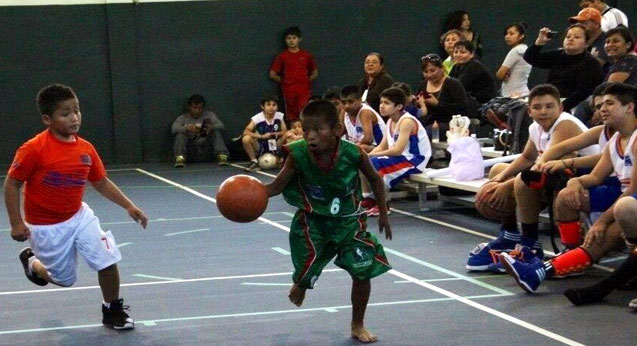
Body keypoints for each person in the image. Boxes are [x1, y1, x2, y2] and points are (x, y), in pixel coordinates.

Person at [3, 84, 148, 329]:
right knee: (63, 280)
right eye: (65, 113)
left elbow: (100, 182)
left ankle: (112, 309)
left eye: (77, 110)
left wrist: (128, 206)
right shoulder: (33, 149)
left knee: (107, 259)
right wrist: (16, 222)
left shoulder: (85, 149)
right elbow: (11, 185)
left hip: (79, 216)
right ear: (47, 119)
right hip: (46, 226)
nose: (74, 117)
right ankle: (32, 262)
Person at [264, 100, 392, 343]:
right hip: (313, 221)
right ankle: (302, 281)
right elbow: (275, 187)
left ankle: (357, 324)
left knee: (362, 271)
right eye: (305, 129)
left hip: (349, 222)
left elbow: (375, 180)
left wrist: (383, 213)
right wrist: (249, 194)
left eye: (318, 130)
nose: (310, 136)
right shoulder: (298, 154)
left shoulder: (354, 153)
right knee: (305, 267)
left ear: (336, 130)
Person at [500, 83, 637, 293]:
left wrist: (601, 222)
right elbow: (595, 175)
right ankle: (562, 257)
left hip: (627, 198)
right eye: (600, 105)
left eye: (609, 104)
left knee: (615, 219)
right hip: (619, 193)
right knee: (566, 196)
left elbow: (631, 192)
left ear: (629, 107)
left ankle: (548, 269)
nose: (602, 109)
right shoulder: (616, 138)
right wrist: (575, 182)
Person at [466, 84, 598, 272]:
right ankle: (511, 235)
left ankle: (531, 245)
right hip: (561, 179)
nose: (543, 111)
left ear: (560, 108)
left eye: (549, 106)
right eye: (537, 107)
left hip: (586, 181)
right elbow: (528, 157)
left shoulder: (565, 124)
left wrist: (506, 186)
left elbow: (541, 167)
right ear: (529, 111)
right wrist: (498, 180)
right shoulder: (536, 127)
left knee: (523, 181)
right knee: (497, 170)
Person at [361, 87, 431, 216]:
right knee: (363, 160)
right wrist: (366, 155)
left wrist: (374, 155)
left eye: (386, 103)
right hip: (402, 157)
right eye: (381, 102)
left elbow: (398, 150)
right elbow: (382, 146)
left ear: (399, 106)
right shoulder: (390, 121)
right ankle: (368, 198)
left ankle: (383, 204)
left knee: (375, 163)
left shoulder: (406, 121)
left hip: (414, 159)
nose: (381, 106)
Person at [523, 24, 603, 112]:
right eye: (568, 36)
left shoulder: (590, 63)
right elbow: (530, 57)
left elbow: (582, 92)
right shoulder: (559, 55)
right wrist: (539, 42)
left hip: (573, 105)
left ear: (586, 43)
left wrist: (559, 108)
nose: (570, 39)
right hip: (551, 100)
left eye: (577, 37)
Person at [269, 26, 318, 122]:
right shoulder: (282, 56)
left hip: (304, 91)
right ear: (285, 40)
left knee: (305, 114)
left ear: (299, 39)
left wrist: (305, 81)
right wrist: (285, 82)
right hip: (289, 91)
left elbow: (315, 73)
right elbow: (272, 74)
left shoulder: (306, 55)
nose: (291, 41)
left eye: (294, 38)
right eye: (289, 38)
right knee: (292, 117)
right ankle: (294, 136)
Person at [417, 53, 468, 142]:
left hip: (449, 124)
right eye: (426, 72)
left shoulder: (453, 84)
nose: (429, 75)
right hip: (427, 123)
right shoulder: (423, 85)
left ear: (442, 68)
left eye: (432, 70)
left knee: (423, 135)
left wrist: (438, 104)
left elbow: (462, 108)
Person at [171, 94, 230, 168]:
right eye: (194, 108)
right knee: (180, 135)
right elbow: (174, 129)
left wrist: (211, 127)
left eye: (200, 108)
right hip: (191, 150)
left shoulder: (209, 115)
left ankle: (222, 156)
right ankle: (180, 158)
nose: (197, 111)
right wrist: (186, 128)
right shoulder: (183, 118)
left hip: (206, 149)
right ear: (189, 107)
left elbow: (221, 125)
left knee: (216, 132)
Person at [449, 40, 497, 119]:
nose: (458, 55)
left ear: (471, 54)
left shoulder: (474, 66)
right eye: (456, 52)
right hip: (472, 102)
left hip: (485, 105)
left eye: (462, 52)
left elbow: (458, 86)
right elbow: (448, 83)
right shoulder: (456, 67)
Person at [241, 95, 287, 172]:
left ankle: (287, 159)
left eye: (274, 105)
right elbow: (246, 131)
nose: (271, 107)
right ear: (263, 106)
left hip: (275, 144)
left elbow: (285, 131)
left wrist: (277, 133)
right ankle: (254, 161)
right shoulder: (257, 118)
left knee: (288, 135)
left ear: (277, 107)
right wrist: (261, 136)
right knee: (246, 138)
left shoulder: (279, 116)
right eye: (268, 105)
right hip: (261, 145)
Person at [340, 85, 387, 153]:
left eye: (350, 102)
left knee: (360, 148)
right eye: (344, 102)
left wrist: (350, 146)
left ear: (360, 100)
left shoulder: (365, 112)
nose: (347, 106)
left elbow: (368, 139)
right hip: (358, 144)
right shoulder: (344, 111)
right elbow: (339, 132)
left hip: (378, 147)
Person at [497, 22, 532, 98]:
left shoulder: (516, 51)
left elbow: (499, 75)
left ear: (521, 36)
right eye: (506, 34)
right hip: (523, 93)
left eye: (511, 34)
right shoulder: (526, 49)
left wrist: (503, 74)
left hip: (511, 95)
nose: (507, 36)